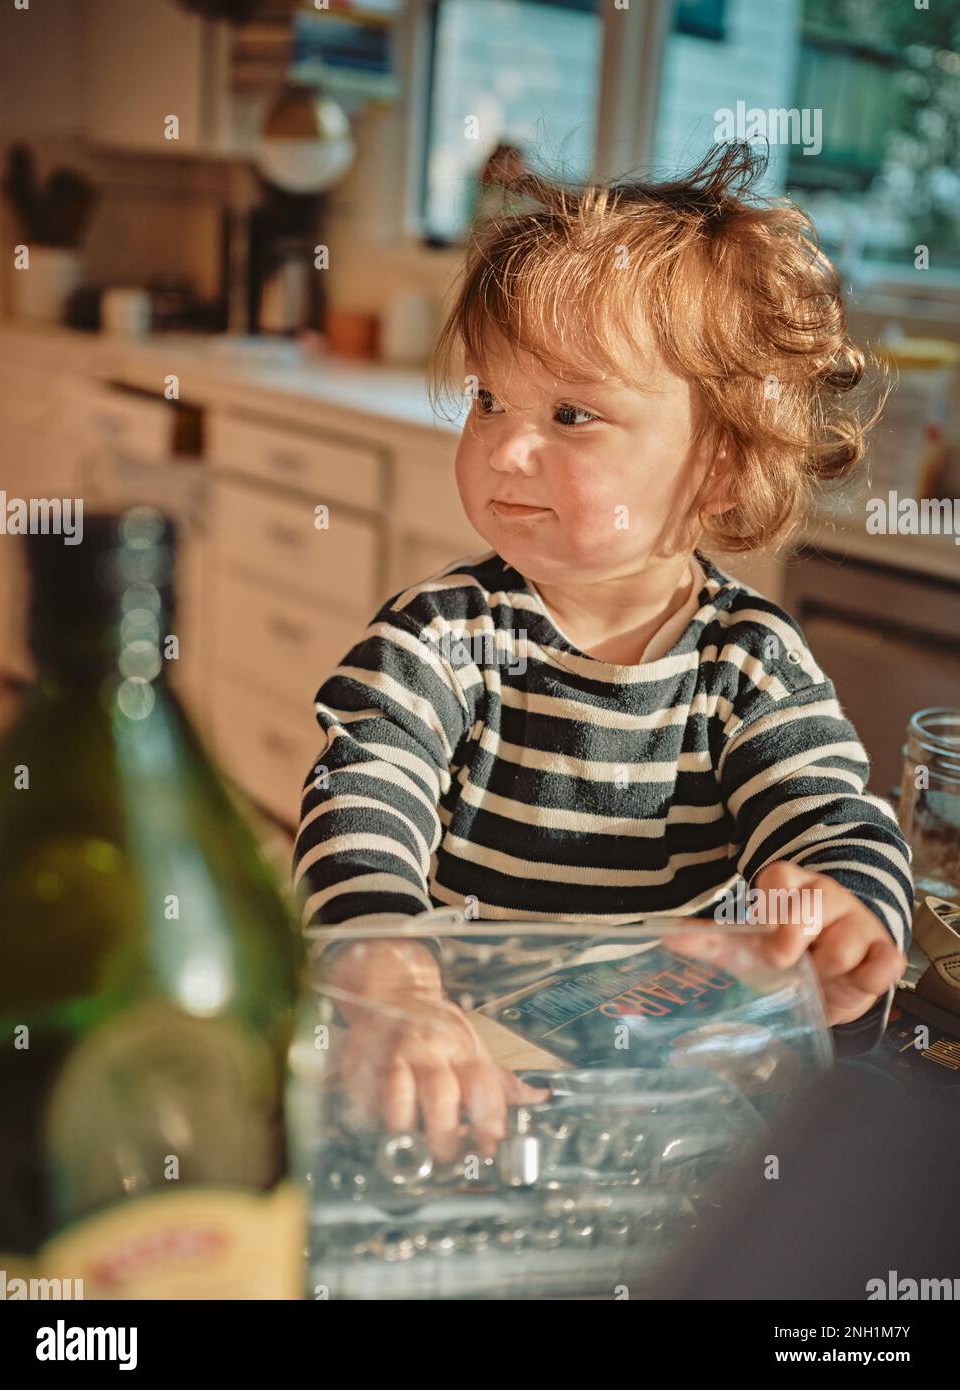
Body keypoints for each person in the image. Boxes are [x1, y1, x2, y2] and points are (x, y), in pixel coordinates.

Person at [292, 143, 912, 1163]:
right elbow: (361, 794)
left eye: (569, 415)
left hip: (662, 1112)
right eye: (488, 399)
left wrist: (839, 908)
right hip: (461, 1081)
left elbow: (829, 811)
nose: (503, 447)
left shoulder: (748, 663)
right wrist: (390, 976)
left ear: (718, 464)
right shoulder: (438, 634)